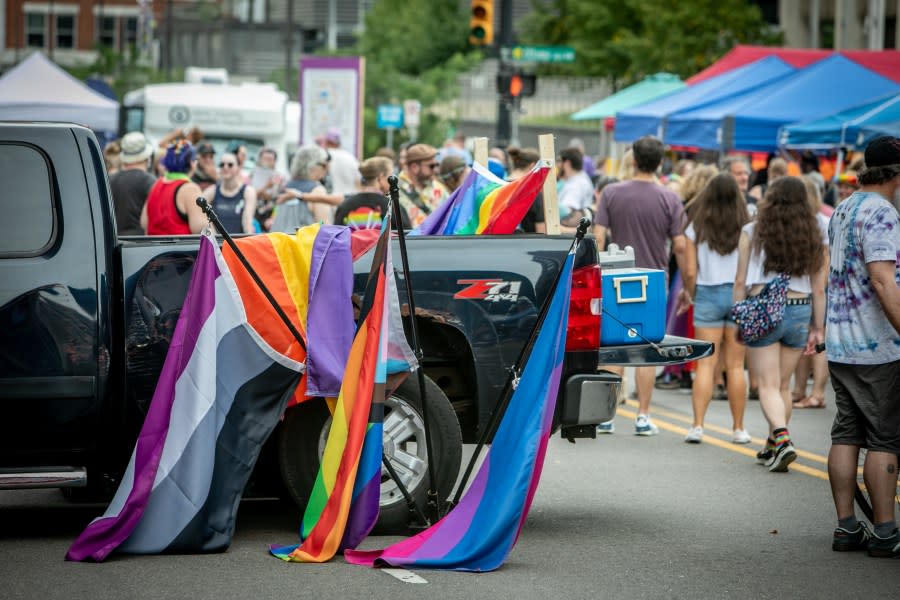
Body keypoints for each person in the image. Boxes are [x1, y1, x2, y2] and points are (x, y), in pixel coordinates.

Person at [824, 136, 900, 557]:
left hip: (840, 342)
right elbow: (882, 279)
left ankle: (847, 527)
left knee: (846, 432)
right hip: (876, 346)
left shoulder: (845, 206)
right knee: (885, 438)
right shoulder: (883, 213)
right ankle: (886, 531)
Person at [593, 136, 686, 436]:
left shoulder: (610, 192)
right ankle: (643, 416)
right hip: (654, 280)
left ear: (633, 160)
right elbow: (681, 245)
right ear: (660, 163)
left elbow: (597, 238)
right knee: (647, 349)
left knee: (615, 345)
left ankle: (607, 415)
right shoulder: (669, 198)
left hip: (615, 277)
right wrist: (687, 284)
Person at [733, 176, 826, 473]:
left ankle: (782, 439)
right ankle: (773, 443)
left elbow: (739, 280)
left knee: (768, 385)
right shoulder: (816, 230)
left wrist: (739, 313)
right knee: (783, 384)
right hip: (801, 307)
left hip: (762, 306)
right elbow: (819, 287)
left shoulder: (752, 230)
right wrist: (818, 328)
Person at [675, 173, 751, 444]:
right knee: (735, 365)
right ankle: (739, 429)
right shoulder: (747, 223)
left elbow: (692, 271)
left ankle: (697, 426)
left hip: (708, 292)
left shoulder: (698, 225)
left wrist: (691, 294)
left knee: (705, 365)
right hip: (738, 293)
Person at [791, 176, 832, 409]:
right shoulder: (805, 222)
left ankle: (817, 393)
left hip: (816, 288)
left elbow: (825, 262)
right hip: (805, 289)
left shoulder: (821, 223)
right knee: (803, 340)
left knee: (818, 341)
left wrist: (820, 288)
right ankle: (799, 389)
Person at [141, 139, 207, 235]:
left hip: (153, 248)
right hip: (179, 249)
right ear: (192, 164)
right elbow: (202, 229)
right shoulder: (190, 189)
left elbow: (144, 223)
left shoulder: (156, 184)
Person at [333, 156, 410, 230]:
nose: (393, 179)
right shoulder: (393, 207)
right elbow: (407, 238)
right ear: (381, 177)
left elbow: (336, 237)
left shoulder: (345, 206)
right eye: (391, 175)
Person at [271, 145, 332, 232]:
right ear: (313, 166)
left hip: (279, 242)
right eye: (324, 165)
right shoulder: (317, 190)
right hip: (303, 243)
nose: (326, 170)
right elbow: (324, 225)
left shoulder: (285, 187)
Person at [109, 131, 156, 236]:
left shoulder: (110, 179)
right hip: (139, 243)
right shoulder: (150, 181)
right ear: (147, 157)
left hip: (112, 241)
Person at [201, 152, 257, 234]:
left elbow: (247, 221)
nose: (225, 167)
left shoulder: (248, 191)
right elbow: (199, 215)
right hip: (218, 244)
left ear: (238, 167)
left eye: (230, 165)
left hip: (238, 243)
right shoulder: (211, 191)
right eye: (222, 165)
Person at [397, 143, 448, 227]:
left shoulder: (439, 189)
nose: (435, 170)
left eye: (436, 165)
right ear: (414, 167)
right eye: (431, 166)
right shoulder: (394, 191)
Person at [507, 146, 545, 234]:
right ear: (532, 166)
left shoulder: (498, 187)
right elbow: (542, 233)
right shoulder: (533, 193)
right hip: (527, 245)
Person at [250, 146, 285, 231]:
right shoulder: (253, 175)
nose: (267, 162)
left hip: (270, 216)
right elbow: (251, 195)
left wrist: (273, 218)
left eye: (270, 159)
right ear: (260, 159)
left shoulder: (280, 177)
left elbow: (279, 200)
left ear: (275, 161)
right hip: (254, 213)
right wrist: (267, 186)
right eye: (265, 159)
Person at [557, 147, 594, 223]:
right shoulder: (582, 178)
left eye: (559, 161)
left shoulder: (575, 185)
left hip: (571, 230)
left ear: (567, 163)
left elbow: (568, 211)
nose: (557, 165)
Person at [322, 128, 360, 195]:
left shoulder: (325, 156)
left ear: (327, 141)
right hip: (351, 198)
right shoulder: (351, 157)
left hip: (331, 199)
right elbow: (358, 180)